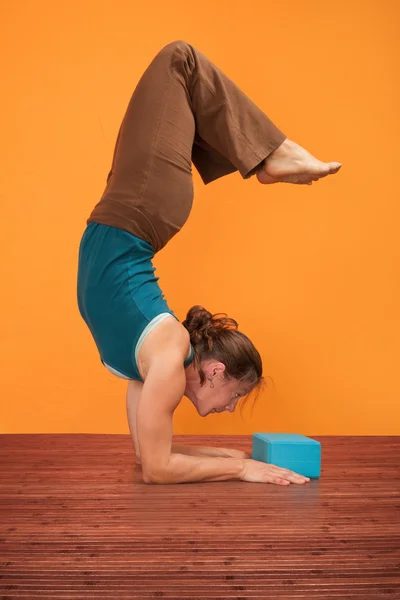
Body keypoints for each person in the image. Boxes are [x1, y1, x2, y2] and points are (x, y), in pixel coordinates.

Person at [77, 41, 341, 486]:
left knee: (180, 81)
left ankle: (265, 156)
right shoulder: (168, 355)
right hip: (138, 211)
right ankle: (271, 155)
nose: (230, 408)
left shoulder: (153, 367)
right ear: (216, 371)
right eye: (236, 395)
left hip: (126, 211)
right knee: (180, 61)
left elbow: (151, 459)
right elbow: (160, 469)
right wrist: (240, 467)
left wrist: (216, 454)